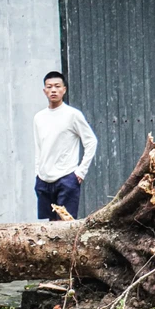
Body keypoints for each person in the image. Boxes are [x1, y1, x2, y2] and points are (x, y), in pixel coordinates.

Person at [34, 71, 98, 221]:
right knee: (48, 226)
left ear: (64, 89)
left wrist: (81, 172)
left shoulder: (72, 115)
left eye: (57, 86)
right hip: (44, 179)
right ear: (44, 91)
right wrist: (37, 172)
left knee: (65, 224)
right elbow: (38, 147)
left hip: (66, 177)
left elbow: (91, 141)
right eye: (49, 87)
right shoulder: (39, 117)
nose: (53, 90)